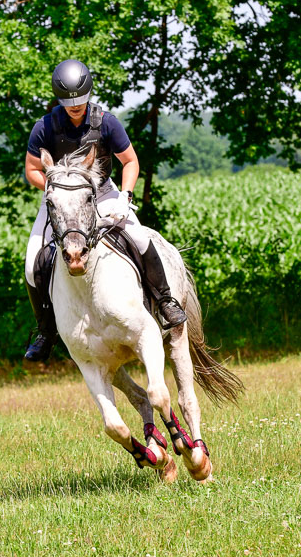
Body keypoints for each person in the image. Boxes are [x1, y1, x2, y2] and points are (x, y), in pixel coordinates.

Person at [24, 58, 187, 361]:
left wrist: (125, 196)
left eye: (80, 101)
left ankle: (166, 301)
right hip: (62, 200)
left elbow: (131, 162)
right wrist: (52, 189)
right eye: (69, 102)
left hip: (104, 194)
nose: (75, 106)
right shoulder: (44, 127)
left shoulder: (106, 122)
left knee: (139, 238)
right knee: (33, 261)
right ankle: (45, 332)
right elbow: (32, 169)